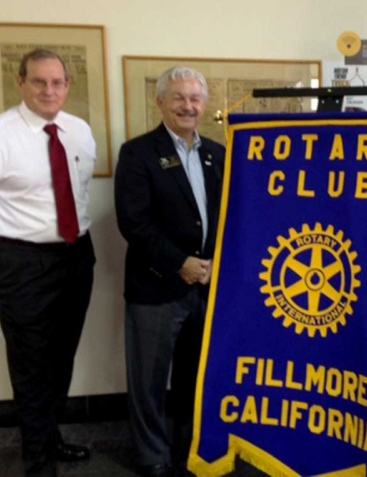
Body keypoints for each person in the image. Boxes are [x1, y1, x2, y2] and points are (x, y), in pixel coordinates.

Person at [0, 49, 96, 476]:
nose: (49, 90)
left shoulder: (80, 132)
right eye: (39, 82)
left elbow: (78, 193)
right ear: (21, 83)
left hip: (75, 255)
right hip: (19, 262)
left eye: (57, 82)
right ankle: (38, 462)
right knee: (32, 361)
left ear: (68, 85)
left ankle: (50, 438)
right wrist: (5, 250)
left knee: (62, 356)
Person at [115, 66, 225, 477]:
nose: (188, 105)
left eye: (195, 98)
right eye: (178, 97)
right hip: (156, 286)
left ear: (205, 104)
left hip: (207, 287)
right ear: (160, 102)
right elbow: (134, 223)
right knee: (148, 379)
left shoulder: (218, 154)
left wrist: (214, 262)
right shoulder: (137, 153)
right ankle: (151, 455)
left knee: (195, 376)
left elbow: (229, 216)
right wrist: (181, 263)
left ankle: (187, 448)